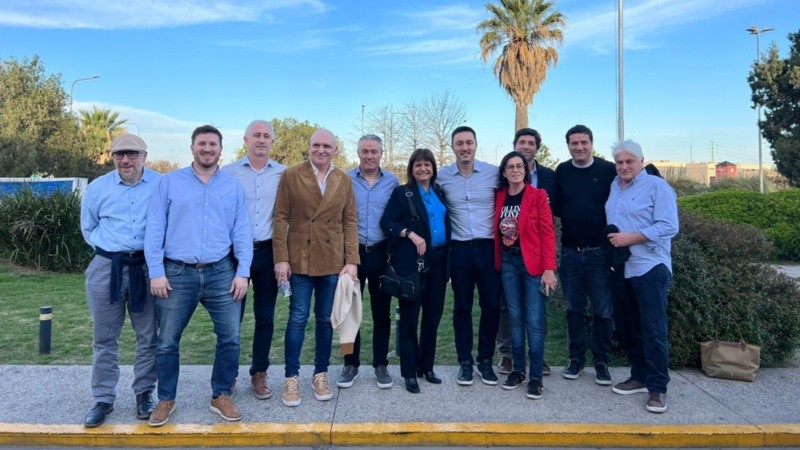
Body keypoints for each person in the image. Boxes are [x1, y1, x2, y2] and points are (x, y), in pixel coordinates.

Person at [145, 124, 253, 426]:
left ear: (220, 149)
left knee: (230, 337)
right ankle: (166, 399)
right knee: (167, 340)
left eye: (213, 144)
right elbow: (154, 229)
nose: (207, 149)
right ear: (192, 147)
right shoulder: (169, 183)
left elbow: (242, 232)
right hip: (176, 273)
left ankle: (221, 394)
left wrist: (242, 272)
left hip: (222, 272)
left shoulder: (232, 187)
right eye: (202, 143)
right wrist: (156, 271)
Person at [273, 128, 359, 407]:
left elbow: (350, 222)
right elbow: (280, 218)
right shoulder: (291, 174)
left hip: (332, 261)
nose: (321, 150)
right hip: (299, 259)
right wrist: (281, 258)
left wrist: (352, 260)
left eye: (327, 146)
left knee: (325, 319)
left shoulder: (343, 179)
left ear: (335, 150)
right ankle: (291, 377)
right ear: (309, 147)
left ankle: (320, 374)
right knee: (297, 318)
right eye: (316, 145)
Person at [80, 134, 160, 427]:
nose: (125, 160)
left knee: (149, 336)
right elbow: (88, 227)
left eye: (132, 154)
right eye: (119, 154)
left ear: (144, 156)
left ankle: (144, 394)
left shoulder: (161, 184)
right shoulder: (98, 188)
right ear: (112, 157)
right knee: (104, 338)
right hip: (107, 268)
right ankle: (103, 399)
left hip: (147, 269)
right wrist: (112, 251)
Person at [605, 140, 678, 413]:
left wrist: (631, 238)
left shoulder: (657, 187)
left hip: (650, 265)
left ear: (641, 161)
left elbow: (669, 225)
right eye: (619, 162)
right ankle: (639, 376)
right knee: (630, 326)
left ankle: (658, 388)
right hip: (623, 266)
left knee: (653, 329)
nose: (624, 166)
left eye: (629, 161)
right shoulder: (615, 186)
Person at [221, 120, 286, 401]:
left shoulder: (283, 174)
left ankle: (259, 372)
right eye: (256, 135)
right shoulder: (228, 173)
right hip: (234, 254)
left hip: (268, 252)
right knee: (231, 318)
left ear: (272, 142)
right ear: (245, 140)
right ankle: (228, 374)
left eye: (266, 136)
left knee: (265, 317)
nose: (261, 140)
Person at [380, 148, 451, 393]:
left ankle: (426, 367)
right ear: (412, 168)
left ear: (433, 168)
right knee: (410, 319)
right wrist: (411, 234)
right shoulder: (403, 193)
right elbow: (387, 222)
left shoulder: (439, 192)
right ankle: (409, 372)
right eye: (418, 165)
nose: (423, 169)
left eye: (427, 164)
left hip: (439, 262)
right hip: (413, 264)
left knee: (433, 317)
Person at [437, 125, 501, 386]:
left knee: (491, 306)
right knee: (462, 307)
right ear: (453, 146)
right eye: (459, 143)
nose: (465, 147)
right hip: (459, 250)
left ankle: (485, 360)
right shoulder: (442, 176)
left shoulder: (493, 173)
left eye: (469, 142)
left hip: (488, 249)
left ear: (476, 144)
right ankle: (465, 362)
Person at [553, 124, 617, 385]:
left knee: (603, 309)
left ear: (592, 143)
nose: (579, 147)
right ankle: (576, 359)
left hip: (600, 253)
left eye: (584, 142)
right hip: (570, 252)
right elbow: (558, 207)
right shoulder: (562, 171)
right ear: (568, 146)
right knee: (574, 309)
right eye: (574, 143)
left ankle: (601, 362)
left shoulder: (608, 170)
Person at [494, 151, 557, 400]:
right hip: (508, 263)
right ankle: (518, 371)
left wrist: (549, 269)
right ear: (504, 172)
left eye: (519, 166)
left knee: (534, 321)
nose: (515, 170)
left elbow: (548, 233)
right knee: (515, 319)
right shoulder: (499, 196)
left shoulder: (537, 196)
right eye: (510, 166)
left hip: (534, 265)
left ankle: (536, 378)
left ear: (526, 170)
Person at [337, 134, 399, 390]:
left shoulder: (392, 181)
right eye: (365, 151)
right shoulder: (345, 179)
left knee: (381, 313)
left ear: (381, 154)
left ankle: (380, 364)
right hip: (352, 255)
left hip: (381, 253)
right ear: (358, 153)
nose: (370, 155)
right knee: (348, 312)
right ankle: (350, 363)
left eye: (374, 151)